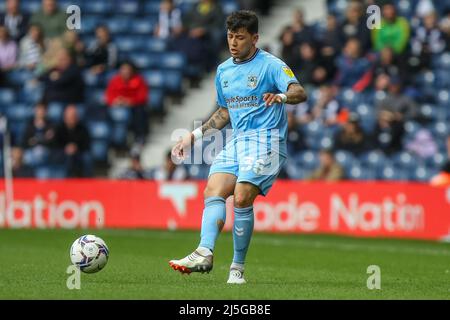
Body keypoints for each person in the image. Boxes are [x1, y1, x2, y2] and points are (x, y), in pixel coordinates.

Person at [169, 11, 307, 284]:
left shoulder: (271, 65)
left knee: (242, 196)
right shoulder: (224, 71)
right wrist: (192, 136)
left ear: (254, 38)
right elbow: (224, 112)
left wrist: (280, 96)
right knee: (213, 190)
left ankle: (237, 270)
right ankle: (204, 252)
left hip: (268, 140)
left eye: (240, 37)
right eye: (230, 36)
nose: (233, 42)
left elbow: (299, 92)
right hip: (238, 141)